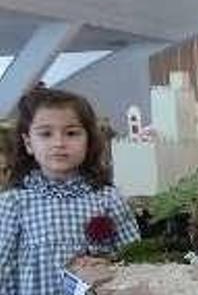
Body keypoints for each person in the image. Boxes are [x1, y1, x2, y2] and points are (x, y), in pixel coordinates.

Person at [0, 88, 141, 294]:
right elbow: (3, 270)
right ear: (29, 143)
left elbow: (135, 258)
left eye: (71, 133)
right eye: (46, 134)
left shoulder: (108, 199)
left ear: (89, 141)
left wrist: (107, 262)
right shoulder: (13, 203)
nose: (59, 143)